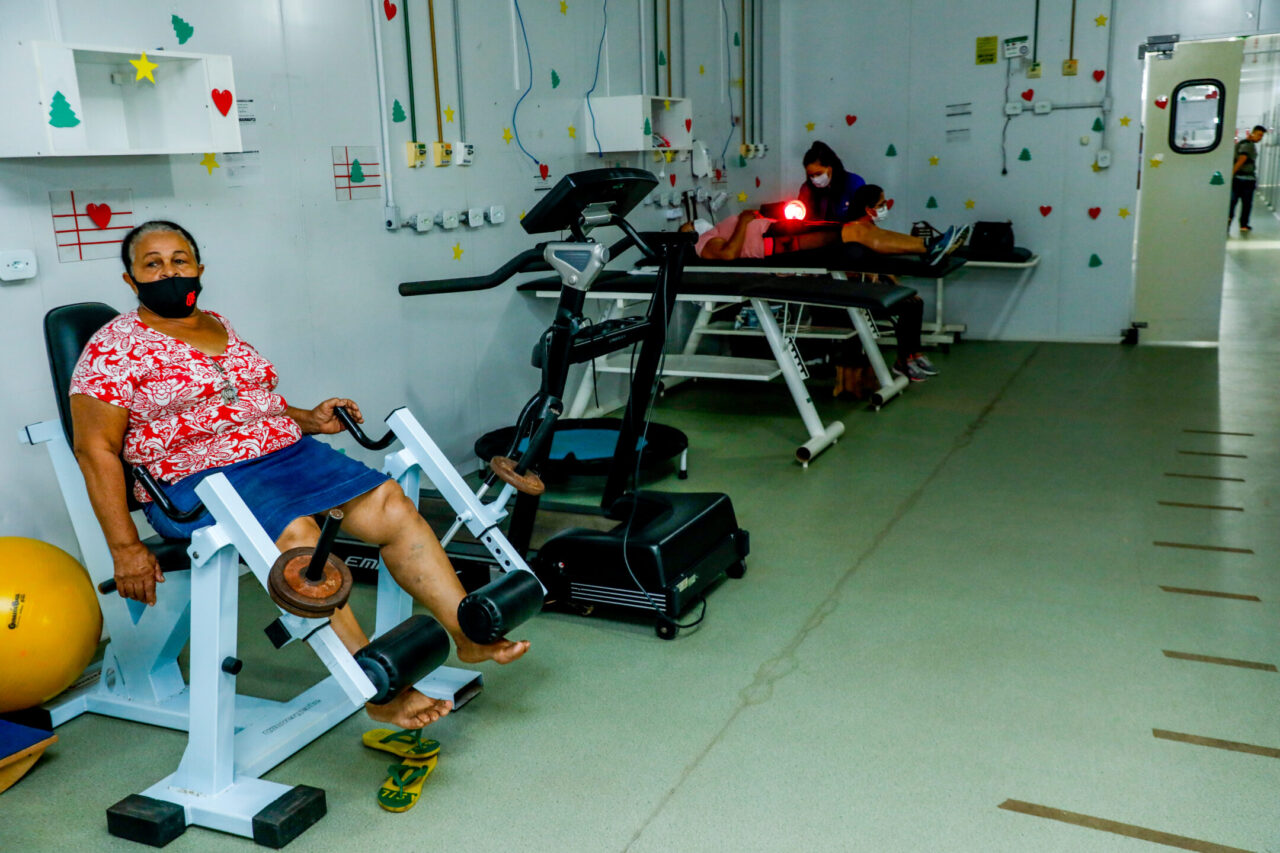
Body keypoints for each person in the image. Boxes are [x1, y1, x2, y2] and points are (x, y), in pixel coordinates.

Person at [69, 220, 529, 731]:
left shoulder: (216, 323)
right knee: (299, 536)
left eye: (179, 260)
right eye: (152, 264)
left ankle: (466, 634)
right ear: (131, 279)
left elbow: (247, 402)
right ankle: (376, 687)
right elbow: (94, 448)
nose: (169, 272)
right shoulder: (112, 348)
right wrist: (125, 547)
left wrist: (309, 418)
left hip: (285, 455)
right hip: (197, 481)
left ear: (198, 267)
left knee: (391, 503)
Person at [683, 186, 963, 383]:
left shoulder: (713, 231)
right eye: (685, 226)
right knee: (855, 232)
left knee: (858, 229)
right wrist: (744, 221)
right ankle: (927, 247)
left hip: (777, 233)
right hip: (777, 243)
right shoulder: (702, 242)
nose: (690, 223)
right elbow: (729, 255)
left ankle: (927, 245)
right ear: (687, 236)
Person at [796, 141, 865, 222]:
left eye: (818, 174)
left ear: (830, 168)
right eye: (811, 175)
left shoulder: (854, 183)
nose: (815, 179)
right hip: (817, 230)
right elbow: (802, 220)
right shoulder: (807, 189)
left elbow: (863, 219)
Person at [1231, 125, 1266, 233]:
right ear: (1253, 133)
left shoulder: (1244, 143)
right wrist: (1231, 174)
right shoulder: (1248, 145)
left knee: (1233, 202)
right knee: (1245, 203)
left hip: (1240, 179)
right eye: (1259, 135)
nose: (1260, 138)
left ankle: (1230, 221)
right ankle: (1243, 225)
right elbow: (1242, 159)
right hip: (1244, 179)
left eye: (1262, 136)